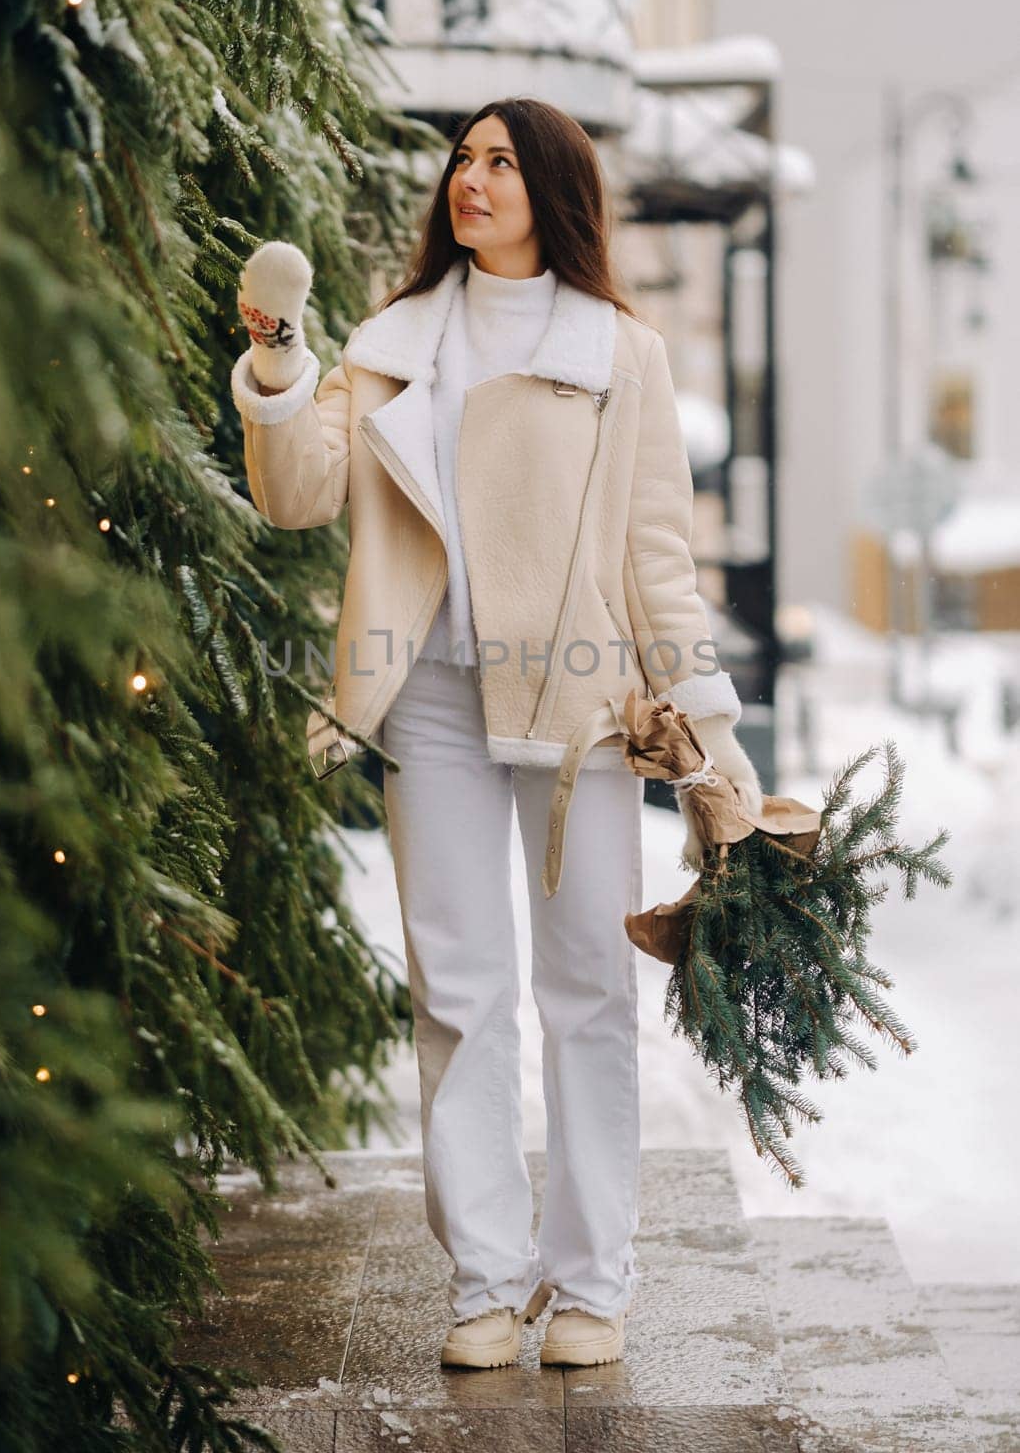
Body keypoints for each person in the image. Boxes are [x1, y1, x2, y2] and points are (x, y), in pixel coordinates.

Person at [229, 96, 762, 1370]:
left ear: (554, 191)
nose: (471, 179)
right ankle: (481, 1282)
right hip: (428, 698)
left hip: (577, 709)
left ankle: (588, 1283)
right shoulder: (393, 338)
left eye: (501, 162)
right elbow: (301, 496)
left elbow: (655, 557)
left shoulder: (617, 351)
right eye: (461, 160)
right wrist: (277, 362)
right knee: (458, 996)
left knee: (586, 991)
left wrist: (701, 727)